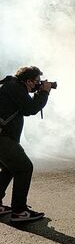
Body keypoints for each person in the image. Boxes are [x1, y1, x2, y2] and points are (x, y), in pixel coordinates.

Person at [0, 66, 52, 222]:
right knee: (24, 167)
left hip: (4, 137)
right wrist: (44, 92)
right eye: (36, 81)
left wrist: (39, 92)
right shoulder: (15, 87)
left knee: (10, 167)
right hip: (2, 138)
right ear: (28, 81)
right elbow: (31, 109)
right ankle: (19, 211)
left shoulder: (11, 86)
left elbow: (24, 108)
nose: (38, 84)